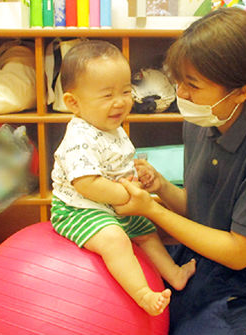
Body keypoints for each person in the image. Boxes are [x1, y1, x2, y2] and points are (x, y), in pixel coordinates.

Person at [114, 8, 246, 335]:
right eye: (179, 81)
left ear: (242, 91)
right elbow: (201, 208)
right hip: (203, 259)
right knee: (131, 300)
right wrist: (161, 187)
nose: (182, 94)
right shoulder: (205, 120)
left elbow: (238, 253)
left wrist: (150, 210)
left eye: (193, 85)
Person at [50, 40, 196, 317]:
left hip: (112, 203)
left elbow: (117, 164)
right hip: (79, 209)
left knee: (146, 232)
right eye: (107, 96)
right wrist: (127, 196)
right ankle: (142, 294)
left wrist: (141, 173)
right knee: (116, 239)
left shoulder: (111, 127)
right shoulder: (79, 137)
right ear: (74, 103)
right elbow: (86, 183)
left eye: (126, 91)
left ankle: (174, 275)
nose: (120, 101)